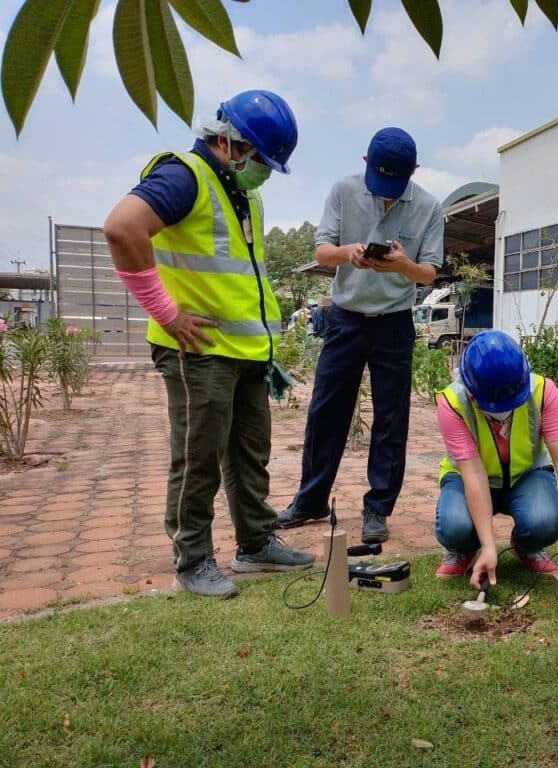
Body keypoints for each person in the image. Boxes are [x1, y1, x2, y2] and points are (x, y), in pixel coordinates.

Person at [103, 90, 315, 598]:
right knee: (198, 457)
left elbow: (243, 277)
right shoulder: (184, 176)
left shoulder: (246, 194)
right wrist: (166, 313)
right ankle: (193, 558)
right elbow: (121, 227)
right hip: (197, 352)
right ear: (228, 141)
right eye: (261, 159)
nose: (264, 171)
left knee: (249, 454)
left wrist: (266, 348)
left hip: (245, 353)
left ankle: (256, 542)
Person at [275, 128, 443, 543]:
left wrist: (403, 266)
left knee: (391, 417)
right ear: (365, 163)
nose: (387, 196)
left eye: (395, 186)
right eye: (380, 183)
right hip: (345, 318)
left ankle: (378, 508)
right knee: (326, 410)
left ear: (413, 171)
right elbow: (320, 250)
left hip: (394, 322)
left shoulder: (428, 206)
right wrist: (347, 252)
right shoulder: (343, 191)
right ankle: (310, 500)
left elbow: (430, 271)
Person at [433, 330, 558, 589]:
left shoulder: (542, 391)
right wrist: (489, 546)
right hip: (468, 480)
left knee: (546, 520)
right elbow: (473, 473)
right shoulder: (452, 403)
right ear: (470, 391)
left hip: (526, 477)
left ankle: (526, 546)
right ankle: (465, 549)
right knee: (455, 526)